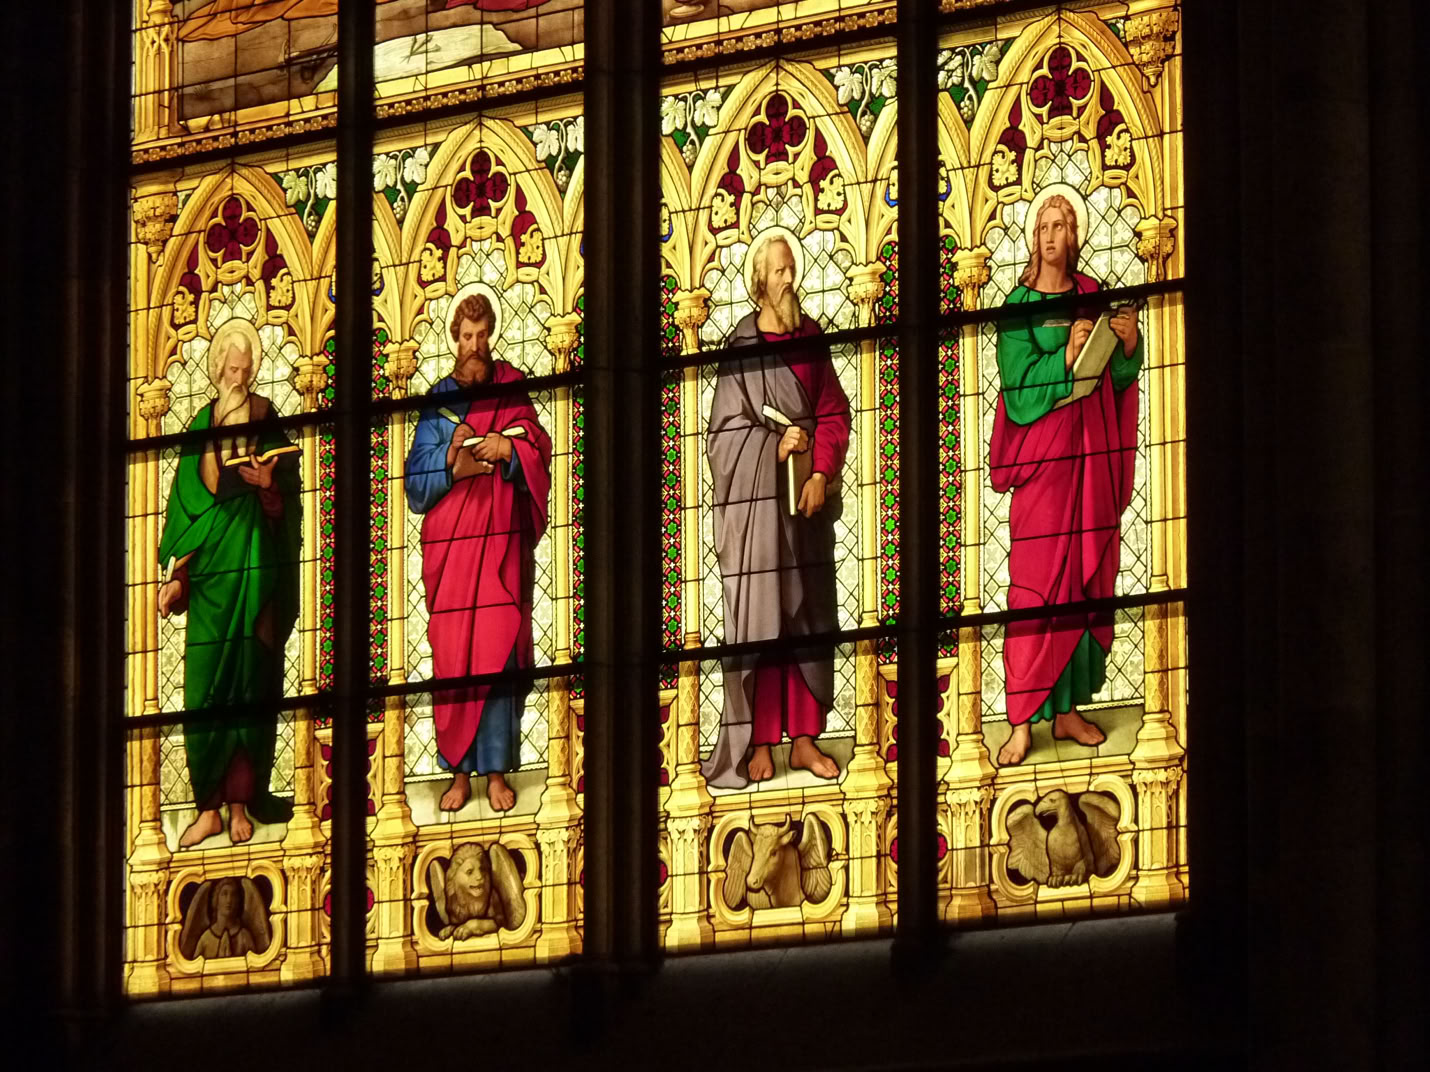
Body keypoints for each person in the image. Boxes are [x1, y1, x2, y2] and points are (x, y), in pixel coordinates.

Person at [989, 190, 1143, 766]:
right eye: (1045, 226)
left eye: (1063, 225)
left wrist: (1123, 345)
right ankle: (1024, 718)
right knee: (1036, 589)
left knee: (1083, 584)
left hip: (1090, 458)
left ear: (1073, 235)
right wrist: (1064, 356)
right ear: (1035, 237)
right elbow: (1018, 387)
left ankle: (1070, 708)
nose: (1053, 234)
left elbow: (1116, 375)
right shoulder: (1018, 307)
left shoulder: (1089, 296)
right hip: (1044, 471)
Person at [703, 232, 850, 789]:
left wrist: (819, 471)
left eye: (794, 269)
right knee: (763, 615)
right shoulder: (741, 348)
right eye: (780, 272)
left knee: (812, 614)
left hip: (809, 504)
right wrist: (773, 448)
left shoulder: (810, 338)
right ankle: (761, 738)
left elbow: (834, 412)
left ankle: (806, 738)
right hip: (759, 515)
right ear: (759, 281)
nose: (791, 279)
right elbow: (722, 436)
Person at [405, 290, 551, 812]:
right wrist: (451, 453)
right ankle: (459, 773)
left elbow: (538, 444)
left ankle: (495, 771)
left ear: (492, 334)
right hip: (451, 550)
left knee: (499, 648)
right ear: (454, 339)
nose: (475, 345)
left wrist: (506, 448)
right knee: (454, 658)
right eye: (466, 337)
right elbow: (415, 482)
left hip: (500, 546)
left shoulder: (511, 387)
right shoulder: (436, 401)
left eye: (483, 334)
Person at [158, 318, 300, 847]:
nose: (238, 378)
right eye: (230, 369)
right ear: (216, 369)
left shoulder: (266, 417)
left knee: (252, 681)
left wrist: (269, 487)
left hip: (256, 567)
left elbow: (290, 487)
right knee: (203, 690)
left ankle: (242, 804)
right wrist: (178, 575)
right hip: (212, 577)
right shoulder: (199, 427)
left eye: (246, 369)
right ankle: (209, 807)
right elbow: (186, 509)